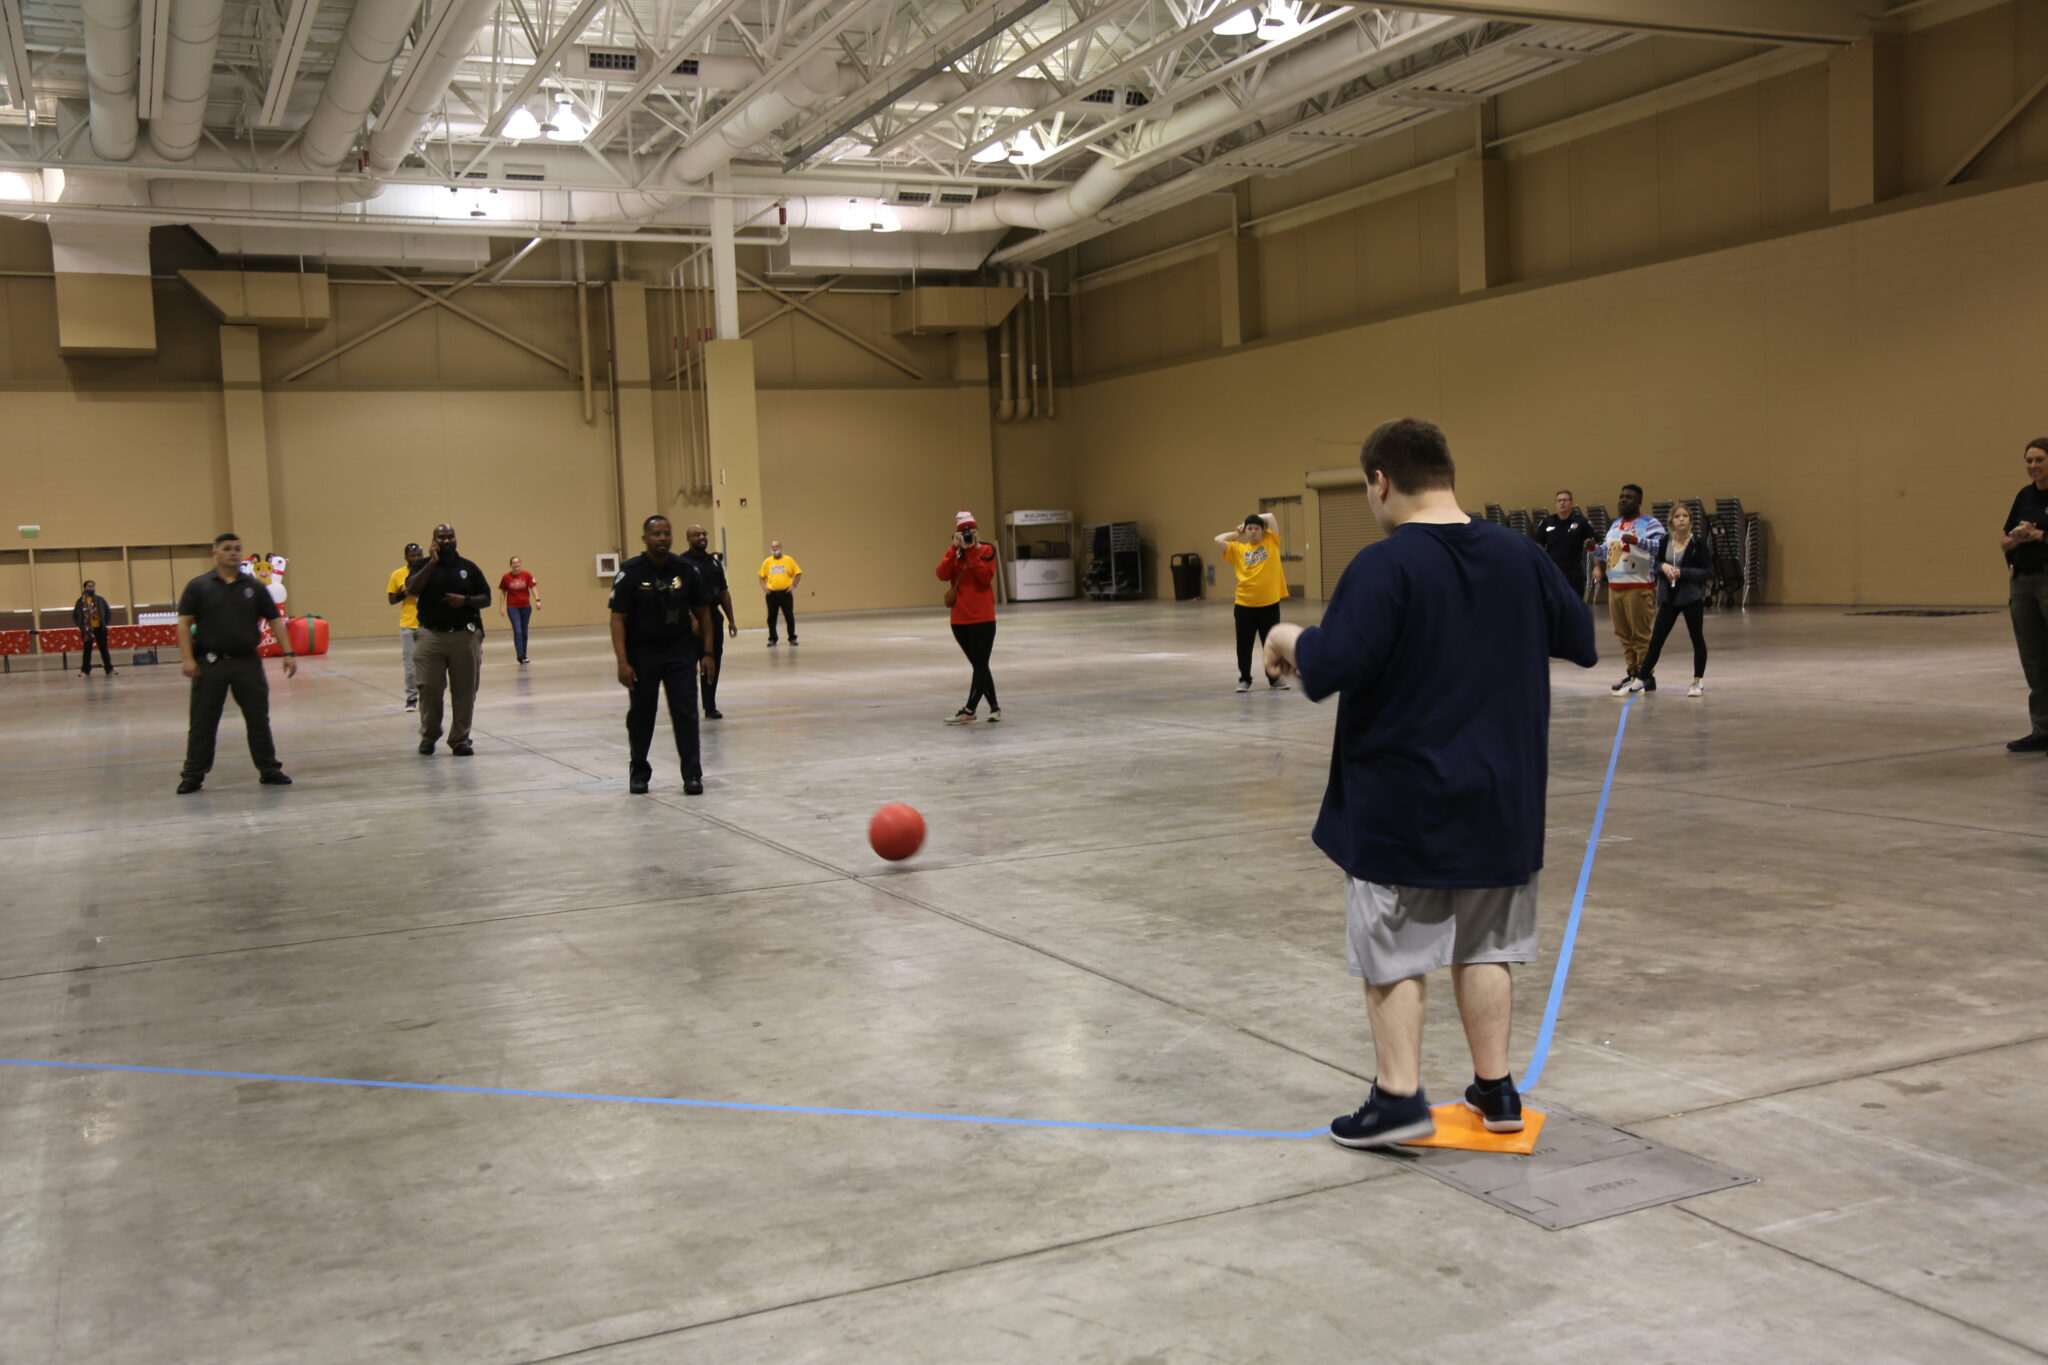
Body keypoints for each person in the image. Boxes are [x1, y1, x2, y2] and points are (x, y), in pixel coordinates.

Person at [1262, 418, 1597, 1148]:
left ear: (1380, 481)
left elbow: (1333, 666)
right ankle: (1497, 1087)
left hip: (1403, 804)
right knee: (1487, 943)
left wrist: (1285, 640)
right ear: (1447, 472)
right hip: (1503, 797)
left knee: (1396, 947)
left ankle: (1398, 1097)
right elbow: (1582, 639)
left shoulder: (1385, 566)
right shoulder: (1521, 555)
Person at [175, 532, 297, 794]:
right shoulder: (199, 586)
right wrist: (187, 659)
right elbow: (184, 623)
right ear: (215, 553)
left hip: (247, 664)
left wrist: (289, 653)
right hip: (210, 664)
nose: (233, 552)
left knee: (257, 718)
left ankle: (269, 769)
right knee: (203, 722)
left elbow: (275, 620)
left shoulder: (254, 587)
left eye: (237, 548)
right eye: (227, 548)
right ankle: (193, 775)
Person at [612, 515, 715, 794]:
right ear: (645, 538)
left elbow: (704, 614)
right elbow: (618, 619)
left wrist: (708, 653)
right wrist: (623, 662)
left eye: (667, 533)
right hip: (642, 653)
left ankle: (692, 774)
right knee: (642, 715)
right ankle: (639, 771)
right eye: (656, 534)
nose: (662, 538)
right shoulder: (631, 572)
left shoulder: (686, 570)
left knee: (687, 714)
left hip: (680, 651)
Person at [406, 523, 489, 757]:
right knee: (429, 688)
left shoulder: (468, 568)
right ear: (433, 540)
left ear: (456, 539)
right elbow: (412, 589)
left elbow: (486, 597)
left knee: (465, 690)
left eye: (450, 536)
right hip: (430, 636)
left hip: (465, 635)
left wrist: (465, 600)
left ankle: (460, 739)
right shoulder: (422, 565)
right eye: (441, 537)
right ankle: (429, 735)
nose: (446, 541)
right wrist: (431, 563)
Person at [1592, 483, 1663, 695]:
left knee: (1640, 635)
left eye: (1629, 497)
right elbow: (1609, 552)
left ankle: (1646, 676)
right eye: (1621, 496)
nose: (1623, 500)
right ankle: (1633, 673)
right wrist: (1593, 549)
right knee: (1623, 634)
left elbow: (1661, 546)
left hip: (1639, 586)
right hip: (1616, 586)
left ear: (1639, 501)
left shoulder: (1650, 524)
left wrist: (1637, 541)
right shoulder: (1615, 525)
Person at [2001, 437, 2048, 751]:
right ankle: (2042, 729)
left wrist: (2039, 535)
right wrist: (2017, 538)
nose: (2033, 466)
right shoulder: (2024, 496)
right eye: (2029, 461)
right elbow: (2004, 540)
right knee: (2034, 659)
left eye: (2039, 460)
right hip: (2023, 583)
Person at [1638, 501, 1712, 698]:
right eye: (1678, 516)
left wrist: (1683, 572)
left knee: (1697, 638)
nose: (1681, 519)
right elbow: (1656, 563)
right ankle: (1641, 678)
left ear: (1690, 521)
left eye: (1685, 516)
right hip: (1669, 598)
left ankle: (1697, 680)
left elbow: (1707, 571)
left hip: (1691, 598)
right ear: (1671, 521)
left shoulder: (1698, 544)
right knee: (1656, 640)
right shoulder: (1664, 541)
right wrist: (1663, 567)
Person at [1214, 512, 1291, 694]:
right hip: (1244, 606)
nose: (1253, 531)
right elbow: (1217, 540)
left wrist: (1247, 520)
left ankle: (1274, 678)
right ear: (1246, 532)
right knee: (1244, 645)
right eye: (1250, 528)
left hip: (1269, 605)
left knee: (1271, 645)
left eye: (1257, 528)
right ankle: (1245, 679)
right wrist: (1237, 534)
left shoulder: (1271, 542)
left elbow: (1271, 516)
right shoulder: (1238, 549)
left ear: (1263, 531)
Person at [937, 511, 1000, 724]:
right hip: (959, 620)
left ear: (977, 532)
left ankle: (970, 710)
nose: (967, 536)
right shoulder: (955, 554)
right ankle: (995, 707)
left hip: (983, 618)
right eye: (963, 533)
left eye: (971, 532)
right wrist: (953, 549)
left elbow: (985, 578)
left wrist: (972, 551)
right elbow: (942, 574)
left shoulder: (987, 550)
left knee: (980, 665)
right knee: (979, 665)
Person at [683, 524, 739, 720]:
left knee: (712, 661)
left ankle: (709, 705)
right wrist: (691, 619)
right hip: (691, 621)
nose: (702, 537)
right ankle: (688, 706)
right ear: (688, 539)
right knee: (688, 665)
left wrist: (731, 619)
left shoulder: (714, 563)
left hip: (713, 618)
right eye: (697, 535)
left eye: (704, 534)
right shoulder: (682, 563)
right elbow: (680, 596)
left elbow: (723, 592)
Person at [386, 542, 426, 711]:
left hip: (427, 625)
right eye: (412, 555)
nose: (416, 558)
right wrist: (406, 592)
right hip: (408, 625)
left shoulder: (429, 572)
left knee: (428, 665)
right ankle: (411, 698)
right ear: (406, 558)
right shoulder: (398, 574)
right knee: (410, 666)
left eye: (418, 555)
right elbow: (392, 599)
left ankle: (427, 698)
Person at [1532, 489, 1595, 596]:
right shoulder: (1547, 522)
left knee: (1574, 605)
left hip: (1573, 571)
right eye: (1559, 500)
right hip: (1552, 570)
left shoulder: (1581, 522)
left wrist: (1597, 566)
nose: (1562, 503)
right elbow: (1537, 544)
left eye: (1565, 500)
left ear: (1571, 503)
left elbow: (1595, 544)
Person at [759, 540, 802, 646]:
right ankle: (772, 638)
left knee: (789, 616)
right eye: (773, 547)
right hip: (772, 594)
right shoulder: (767, 562)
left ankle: (792, 637)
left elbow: (798, 573)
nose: (775, 549)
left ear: (781, 547)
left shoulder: (788, 560)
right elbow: (761, 575)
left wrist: (794, 585)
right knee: (771, 617)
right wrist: (764, 587)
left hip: (785, 593)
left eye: (777, 546)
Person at [499, 555, 540, 664]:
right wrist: (502, 607)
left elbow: (533, 587)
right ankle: (520, 655)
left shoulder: (526, 575)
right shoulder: (506, 577)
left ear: (520, 564)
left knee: (524, 632)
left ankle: (524, 655)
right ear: (511, 565)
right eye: (514, 563)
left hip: (526, 607)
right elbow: (503, 593)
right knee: (517, 631)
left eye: (518, 562)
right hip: (512, 607)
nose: (516, 565)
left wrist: (537, 599)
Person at [73, 580, 114, 676]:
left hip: (100, 628)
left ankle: (109, 669)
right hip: (87, 630)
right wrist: (81, 626)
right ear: (85, 588)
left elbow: (108, 612)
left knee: (104, 649)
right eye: (89, 586)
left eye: (92, 586)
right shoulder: (80, 601)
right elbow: (75, 615)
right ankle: (85, 670)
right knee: (87, 650)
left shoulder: (100, 600)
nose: (91, 588)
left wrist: (105, 623)